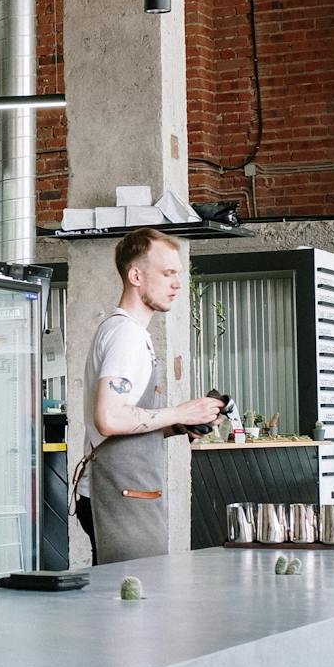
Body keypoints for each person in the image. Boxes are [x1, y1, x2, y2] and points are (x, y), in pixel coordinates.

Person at [76, 229, 226, 565]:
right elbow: (110, 418)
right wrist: (179, 413)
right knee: (132, 602)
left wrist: (180, 425)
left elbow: (125, 419)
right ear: (136, 276)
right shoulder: (126, 335)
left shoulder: (132, 333)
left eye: (178, 275)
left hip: (126, 492)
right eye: (167, 273)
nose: (177, 284)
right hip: (120, 495)